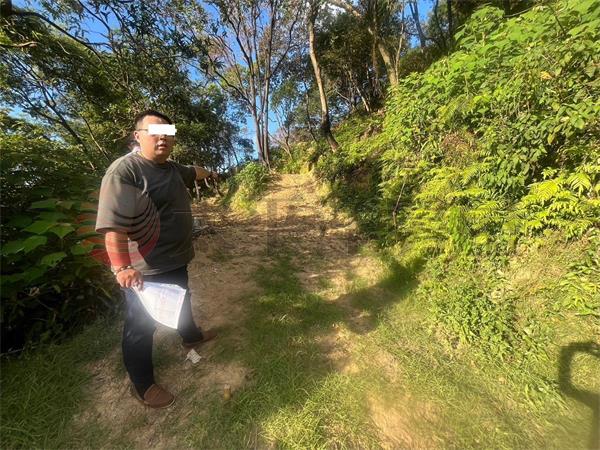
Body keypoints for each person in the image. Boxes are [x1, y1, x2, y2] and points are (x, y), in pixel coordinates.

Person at [95, 109, 218, 409]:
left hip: (176, 258)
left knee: (182, 298)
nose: (162, 137)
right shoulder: (125, 171)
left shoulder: (174, 169)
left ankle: (191, 336)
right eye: (154, 132)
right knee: (141, 326)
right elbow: (113, 226)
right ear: (138, 136)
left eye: (168, 132)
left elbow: (194, 171)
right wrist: (122, 266)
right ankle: (142, 384)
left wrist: (209, 172)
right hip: (143, 269)